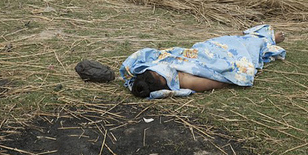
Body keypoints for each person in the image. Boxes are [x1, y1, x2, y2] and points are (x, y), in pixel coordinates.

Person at [120, 24, 286, 99]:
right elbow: (220, 82)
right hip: (215, 59)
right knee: (243, 48)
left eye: (154, 71)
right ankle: (268, 40)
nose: (158, 71)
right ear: (163, 82)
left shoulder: (149, 66)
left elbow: (139, 58)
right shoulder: (184, 80)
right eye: (159, 75)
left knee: (225, 40)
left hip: (200, 51)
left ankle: (255, 37)